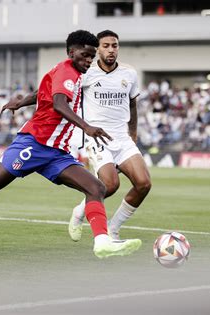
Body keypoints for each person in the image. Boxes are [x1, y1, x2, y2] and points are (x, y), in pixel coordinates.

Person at [0, 30, 142, 259]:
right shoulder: (67, 72)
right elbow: (59, 104)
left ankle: (102, 243)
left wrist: (21, 102)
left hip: (56, 153)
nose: (88, 61)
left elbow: (43, 92)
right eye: (84, 55)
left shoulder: (76, 72)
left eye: (92, 57)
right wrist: (87, 127)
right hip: (34, 144)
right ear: (71, 52)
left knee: (97, 188)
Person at [68, 30, 152, 241]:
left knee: (143, 184)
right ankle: (80, 211)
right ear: (98, 50)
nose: (111, 50)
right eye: (106, 46)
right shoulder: (86, 74)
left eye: (114, 45)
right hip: (96, 138)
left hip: (122, 138)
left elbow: (132, 104)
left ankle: (113, 229)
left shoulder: (129, 74)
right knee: (110, 184)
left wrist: (132, 133)